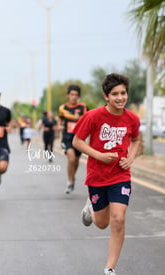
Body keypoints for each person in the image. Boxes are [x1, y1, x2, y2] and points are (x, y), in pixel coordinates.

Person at [73, 73, 140, 275]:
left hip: (120, 175)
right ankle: (91, 207)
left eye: (123, 93)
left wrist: (131, 158)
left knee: (118, 219)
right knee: (102, 224)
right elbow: (77, 141)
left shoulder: (132, 119)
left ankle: (109, 268)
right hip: (97, 176)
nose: (120, 98)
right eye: (115, 94)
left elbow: (136, 140)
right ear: (106, 96)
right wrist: (99, 156)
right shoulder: (93, 116)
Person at [58, 84, 87, 193]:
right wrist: (59, 125)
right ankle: (70, 181)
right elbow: (60, 120)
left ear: (78, 96)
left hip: (79, 138)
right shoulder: (62, 108)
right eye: (72, 94)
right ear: (68, 95)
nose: (74, 97)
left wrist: (78, 118)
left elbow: (86, 120)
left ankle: (72, 177)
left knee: (76, 160)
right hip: (67, 137)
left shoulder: (83, 107)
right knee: (71, 158)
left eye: (76, 95)